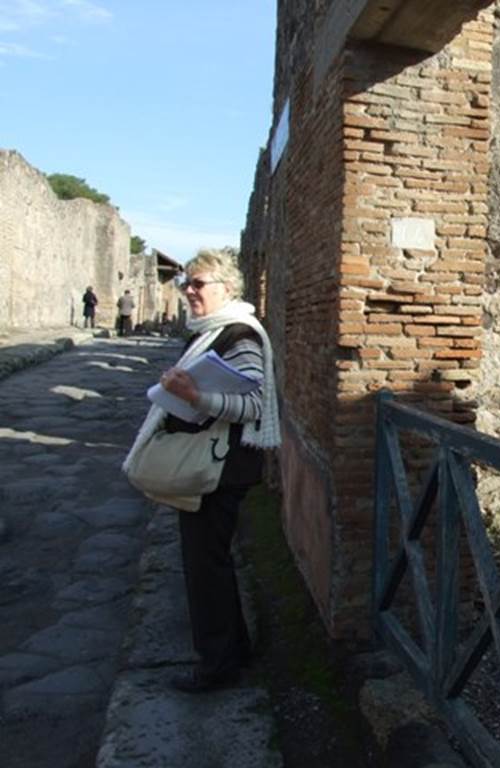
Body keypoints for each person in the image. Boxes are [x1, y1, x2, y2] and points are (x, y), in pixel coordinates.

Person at [122, 248, 280, 693]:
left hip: (218, 469)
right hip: (218, 466)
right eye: (186, 283)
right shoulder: (214, 332)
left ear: (226, 288)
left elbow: (252, 404)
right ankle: (234, 651)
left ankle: (216, 667)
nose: (189, 290)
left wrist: (194, 397)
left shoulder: (238, 336)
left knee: (204, 568)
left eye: (199, 283)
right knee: (213, 562)